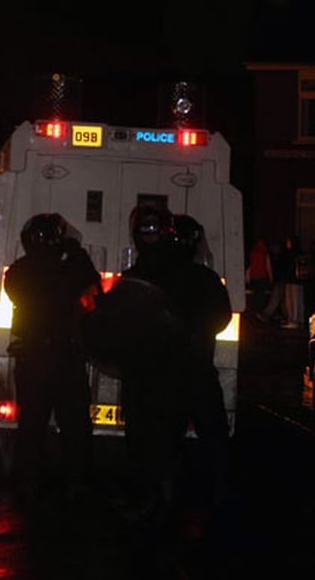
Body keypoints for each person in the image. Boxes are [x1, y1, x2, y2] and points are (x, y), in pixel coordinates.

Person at [83, 204, 189, 526]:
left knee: (149, 440)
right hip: (155, 373)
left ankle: (154, 500)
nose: (149, 236)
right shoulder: (178, 272)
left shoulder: (155, 276)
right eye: (146, 230)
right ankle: (159, 500)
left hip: (155, 373)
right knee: (154, 439)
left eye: (152, 229)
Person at [4, 213, 102, 506]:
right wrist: (74, 253)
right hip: (65, 360)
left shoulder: (19, 271)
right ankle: (76, 482)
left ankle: (29, 482)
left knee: (32, 424)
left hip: (34, 360)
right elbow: (90, 285)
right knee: (74, 425)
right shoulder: (70, 268)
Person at [172, 214, 232, 499]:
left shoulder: (158, 275)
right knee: (213, 435)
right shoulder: (207, 279)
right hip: (198, 371)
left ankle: (165, 495)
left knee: (166, 439)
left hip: (166, 374)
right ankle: (218, 494)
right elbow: (222, 317)